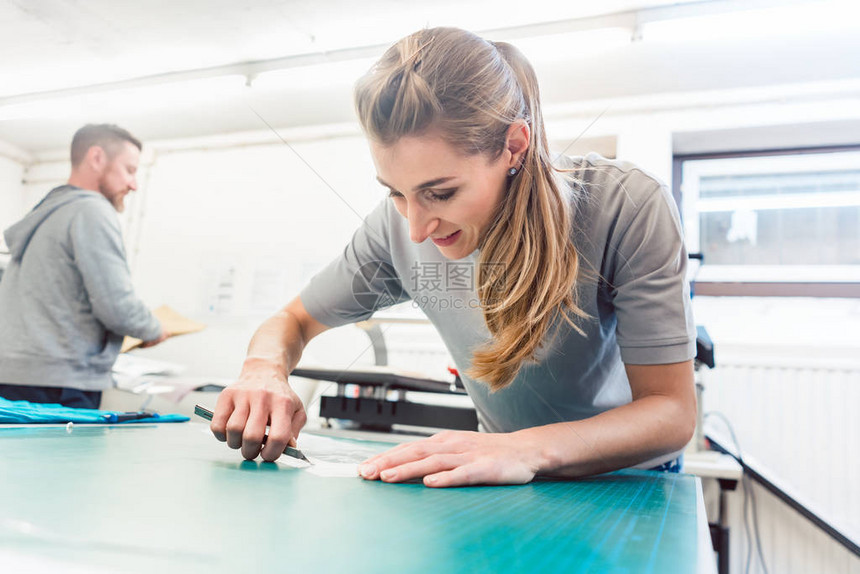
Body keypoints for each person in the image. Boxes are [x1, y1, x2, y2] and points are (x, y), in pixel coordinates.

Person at [210, 27, 697, 486]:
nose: (416, 228)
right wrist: (262, 370)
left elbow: (671, 411)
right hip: (503, 469)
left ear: (514, 147)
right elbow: (291, 320)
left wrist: (525, 450)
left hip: (627, 478)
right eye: (396, 193)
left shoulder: (628, 205)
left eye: (440, 193)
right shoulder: (396, 226)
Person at [0, 124, 168, 409]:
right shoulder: (92, 210)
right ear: (97, 158)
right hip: (60, 384)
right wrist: (155, 329)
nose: (134, 184)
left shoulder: (47, 213)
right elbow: (117, 306)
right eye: (129, 169)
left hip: (14, 375)